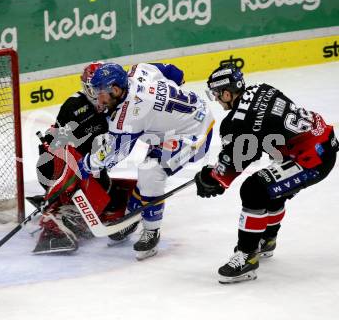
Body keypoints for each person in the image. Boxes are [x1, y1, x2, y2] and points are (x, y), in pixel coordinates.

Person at [195, 63, 338, 284]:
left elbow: (235, 163)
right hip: (321, 142)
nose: (216, 99)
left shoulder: (236, 122)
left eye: (216, 94)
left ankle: (247, 257)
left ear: (226, 92)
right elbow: (267, 134)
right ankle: (267, 240)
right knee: (271, 188)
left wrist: (212, 178)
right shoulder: (263, 88)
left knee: (254, 190)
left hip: (311, 158)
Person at [34, 62, 188, 254]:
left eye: (99, 89)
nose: (97, 95)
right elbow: (56, 143)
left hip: (93, 166)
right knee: (68, 159)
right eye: (92, 89)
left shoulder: (120, 105)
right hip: (65, 166)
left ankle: (73, 210)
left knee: (105, 194)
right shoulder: (74, 106)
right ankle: (55, 213)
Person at [77, 62, 214, 260]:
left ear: (115, 90)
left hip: (195, 133)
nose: (97, 97)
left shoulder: (130, 115)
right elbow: (175, 73)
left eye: (101, 92)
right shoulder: (139, 70)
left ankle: (151, 231)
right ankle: (132, 217)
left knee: (151, 171)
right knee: (148, 171)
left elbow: (112, 156)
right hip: (183, 120)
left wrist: (86, 165)